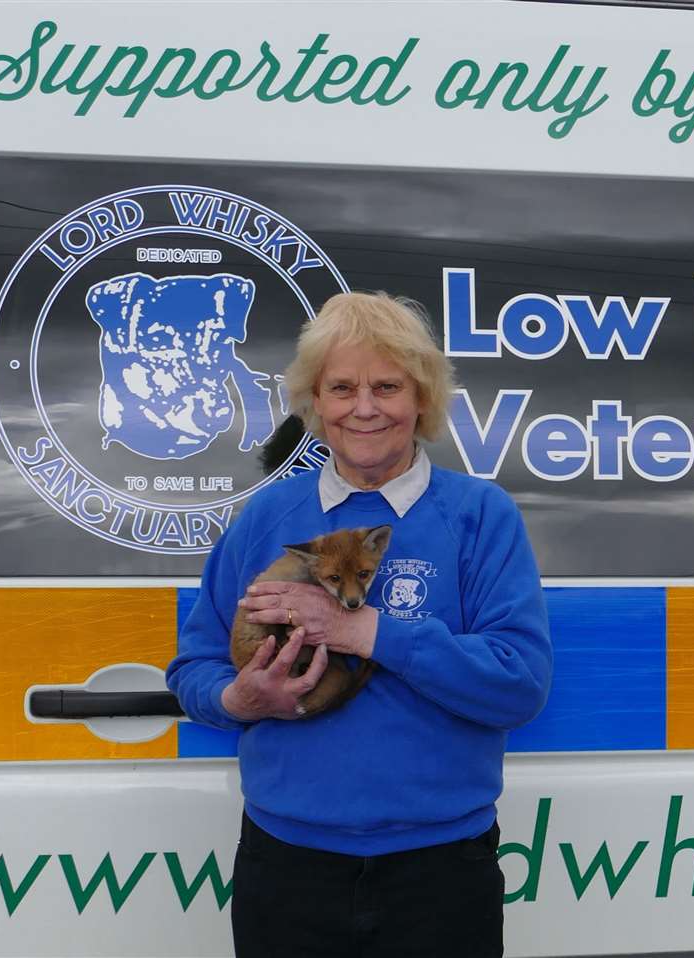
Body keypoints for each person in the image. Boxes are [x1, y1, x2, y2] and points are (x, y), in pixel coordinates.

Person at [166, 291, 552, 958]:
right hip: (287, 864)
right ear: (316, 403)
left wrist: (365, 632)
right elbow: (193, 667)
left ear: (422, 400)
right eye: (341, 387)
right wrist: (238, 699)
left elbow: (518, 686)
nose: (364, 407)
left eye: (387, 386)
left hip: (439, 870)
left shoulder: (479, 515)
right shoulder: (267, 518)